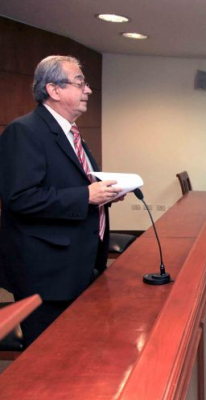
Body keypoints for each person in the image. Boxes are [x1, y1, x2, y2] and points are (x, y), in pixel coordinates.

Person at [0, 55, 123, 347]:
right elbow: (20, 198)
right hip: (45, 272)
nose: (88, 90)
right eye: (80, 82)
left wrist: (104, 193)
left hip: (76, 263)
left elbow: (77, 185)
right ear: (54, 90)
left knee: (72, 350)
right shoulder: (25, 131)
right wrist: (86, 195)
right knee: (46, 358)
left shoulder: (72, 133)